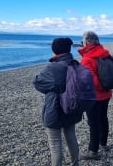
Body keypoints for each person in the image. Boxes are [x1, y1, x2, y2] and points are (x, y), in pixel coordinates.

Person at [33, 38, 82, 166]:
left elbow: (37, 83)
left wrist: (52, 88)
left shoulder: (53, 67)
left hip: (55, 108)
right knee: (71, 136)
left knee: (55, 143)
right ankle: (75, 163)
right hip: (72, 106)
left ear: (54, 50)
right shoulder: (76, 64)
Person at [78, 31, 112, 160]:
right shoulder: (105, 53)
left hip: (94, 96)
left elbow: (92, 81)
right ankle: (103, 143)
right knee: (103, 118)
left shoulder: (87, 59)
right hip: (106, 93)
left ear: (86, 42)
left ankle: (93, 151)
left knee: (93, 122)